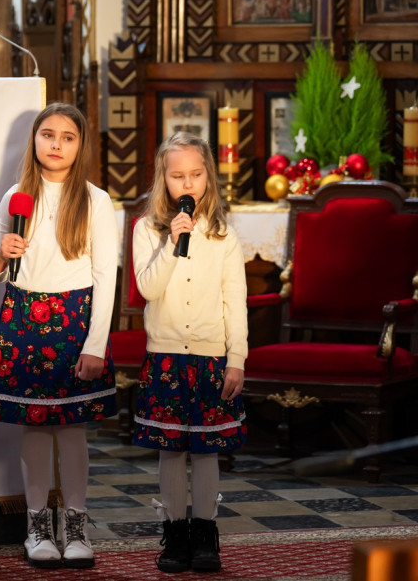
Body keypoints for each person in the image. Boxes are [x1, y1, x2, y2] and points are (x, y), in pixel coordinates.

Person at [0, 102, 118, 570]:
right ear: (34, 140)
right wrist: (0, 255)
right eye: (48, 135)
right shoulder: (15, 196)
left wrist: (96, 344)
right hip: (22, 315)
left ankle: (75, 524)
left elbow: (105, 277)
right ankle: (37, 526)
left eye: (67, 137)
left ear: (80, 147)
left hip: (74, 318)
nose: (56, 144)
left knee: (71, 427)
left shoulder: (96, 200)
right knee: (35, 426)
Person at [131, 131, 247, 574]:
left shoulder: (223, 235)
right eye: (177, 175)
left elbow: (234, 301)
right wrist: (171, 243)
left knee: (205, 450)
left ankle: (205, 535)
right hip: (165, 356)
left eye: (195, 175)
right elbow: (148, 288)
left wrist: (236, 358)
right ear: (164, 179)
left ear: (207, 178)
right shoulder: (148, 229)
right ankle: (175, 533)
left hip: (211, 357)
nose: (187, 184)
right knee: (170, 449)